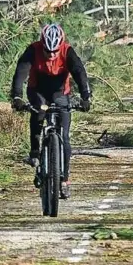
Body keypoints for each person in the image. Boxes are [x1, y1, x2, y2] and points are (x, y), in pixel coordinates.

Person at [10, 23, 91, 199]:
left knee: (65, 135)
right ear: (42, 45)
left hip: (60, 92)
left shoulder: (67, 52)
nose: (52, 55)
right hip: (38, 90)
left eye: (55, 51)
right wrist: (16, 97)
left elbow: (79, 72)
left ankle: (64, 181)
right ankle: (34, 153)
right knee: (38, 111)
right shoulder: (33, 50)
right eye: (48, 51)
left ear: (61, 45)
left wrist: (86, 97)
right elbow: (21, 72)